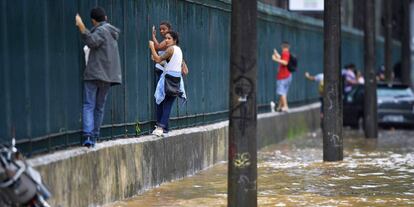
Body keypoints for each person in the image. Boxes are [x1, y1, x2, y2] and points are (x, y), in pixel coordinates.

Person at [75, 7, 122, 147]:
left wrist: (81, 26)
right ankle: (95, 136)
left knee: (89, 104)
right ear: (106, 17)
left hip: (94, 74)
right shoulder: (112, 32)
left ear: (93, 21)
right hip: (107, 77)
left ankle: (88, 136)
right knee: (99, 107)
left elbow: (91, 41)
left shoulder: (101, 30)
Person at [149, 31, 187, 136]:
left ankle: (160, 127)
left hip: (168, 81)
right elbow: (182, 69)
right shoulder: (179, 50)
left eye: (169, 38)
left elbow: (157, 59)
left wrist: (152, 46)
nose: (166, 40)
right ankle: (164, 129)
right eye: (165, 38)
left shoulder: (171, 49)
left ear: (174, 40)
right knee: (166, 104)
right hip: (176, 81)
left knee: (162, 103)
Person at [272, 41, 292, 112]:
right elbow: (283, 59)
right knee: (283, 92)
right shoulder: (287, 54)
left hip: (283, 76)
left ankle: (285, 106)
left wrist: (275, 59)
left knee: (281, 92)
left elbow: (285, 62)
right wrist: (277, 54)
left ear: (282, 47)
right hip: (288, 75)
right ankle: (279, 107)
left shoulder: (285, 53)